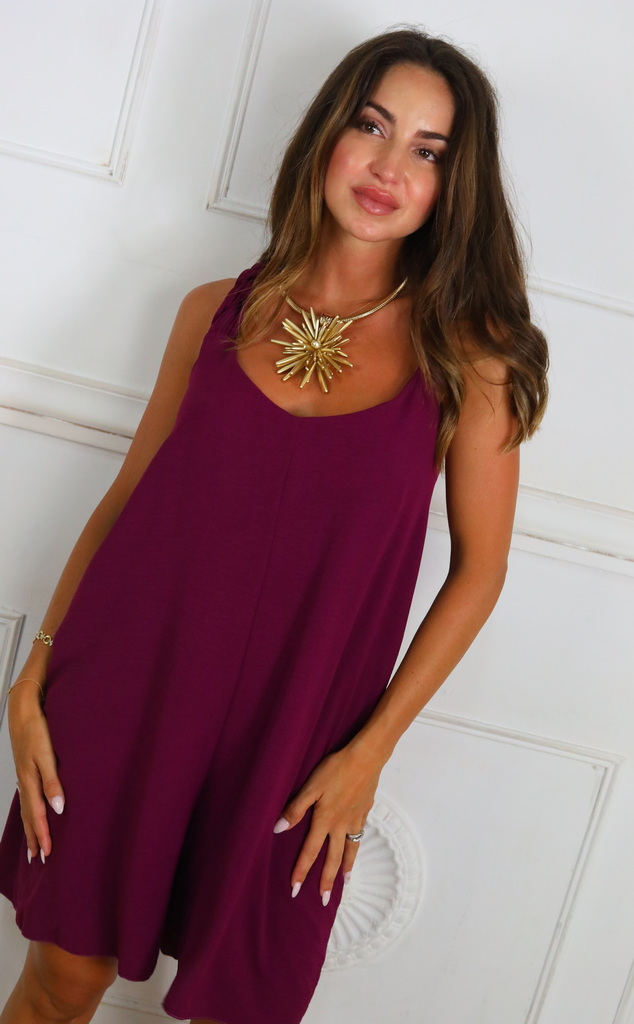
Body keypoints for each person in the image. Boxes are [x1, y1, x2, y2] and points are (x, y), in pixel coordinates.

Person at [0, 26, 548, 1024]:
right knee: (59, 984)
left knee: (240, 1008)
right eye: (371, 126)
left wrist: (368, 754)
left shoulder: (472, 361)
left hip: (300, 741)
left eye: (427, 150)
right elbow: (128, 501)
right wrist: (34, 676)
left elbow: (480, 571)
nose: (388, 166)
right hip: (125, 696)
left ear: (451, 187)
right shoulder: (211, 312)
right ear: (326, 135)